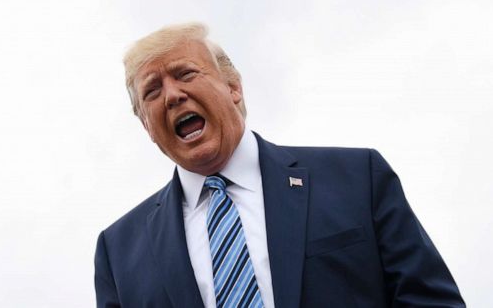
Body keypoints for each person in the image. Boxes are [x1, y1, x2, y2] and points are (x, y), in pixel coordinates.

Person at [94, 22, 464, 308]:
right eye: (152, 91)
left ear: (233, 87)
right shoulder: (119, 251)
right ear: (147, 126)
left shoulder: (356, 178)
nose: (172, 95)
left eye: (186, 73)